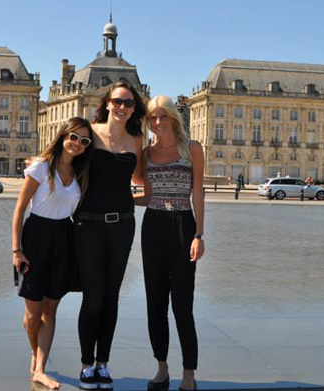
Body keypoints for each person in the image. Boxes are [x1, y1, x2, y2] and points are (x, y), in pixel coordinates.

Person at [73, 80, 147, 390]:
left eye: (128, 103)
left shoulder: (137, 140)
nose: (122, 107)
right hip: (88, 224)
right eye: (117, 101)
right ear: (107, 103)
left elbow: (143, 178)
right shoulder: (90, 132)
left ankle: (103, 363)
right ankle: (87, 364)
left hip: (122, 224)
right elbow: (66, 161)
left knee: (112, 296)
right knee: (93, 296)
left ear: (134, 108)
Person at [11, 117, 94, 390]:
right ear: (62, 135)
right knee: (33, 313)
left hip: (64, 238)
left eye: (84, 140)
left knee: (51, 308)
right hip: (36, 236)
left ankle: (40, 367)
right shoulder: (41, 167)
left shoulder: (81, 172)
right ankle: (34, 353)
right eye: (73, 137)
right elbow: (20, 210)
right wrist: (16, 250)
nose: (77, 144)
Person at [135, 96, 205, 391]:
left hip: (182, 225)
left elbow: (198, 193)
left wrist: (199, 235)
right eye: (152, 118)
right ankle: (162, 367)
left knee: (182, 304)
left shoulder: (192, 149)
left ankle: (188, 372)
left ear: (174, 119)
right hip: (153, 226)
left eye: (163, 117)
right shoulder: (145, 153)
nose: (158, 123)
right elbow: (146, 196)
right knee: (155, 303)